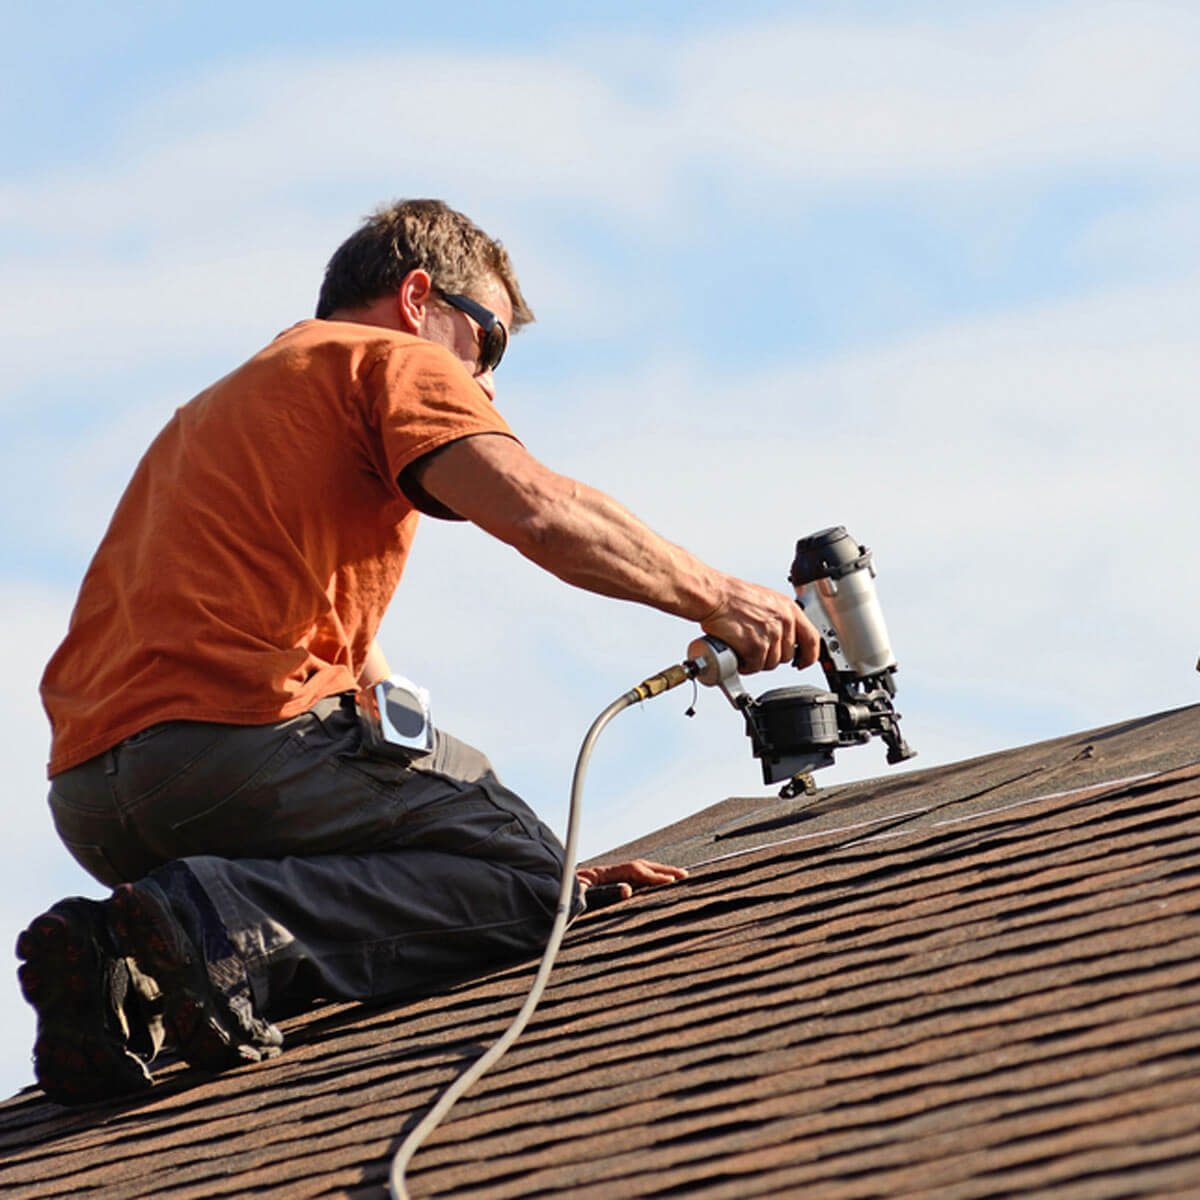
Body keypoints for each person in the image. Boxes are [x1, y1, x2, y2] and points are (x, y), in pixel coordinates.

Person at [19, 199, 819, 1106]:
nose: (487, 382)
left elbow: (360, 683)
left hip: (92, 799)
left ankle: (125, 970)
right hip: (232, 748)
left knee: (502, 859)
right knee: (531, 889)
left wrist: (500, 855)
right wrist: (721, 598)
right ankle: (214, 921)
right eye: (489, 344)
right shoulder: (389, 360)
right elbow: (540, 511)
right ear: (415, 297)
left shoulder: (222, 410)